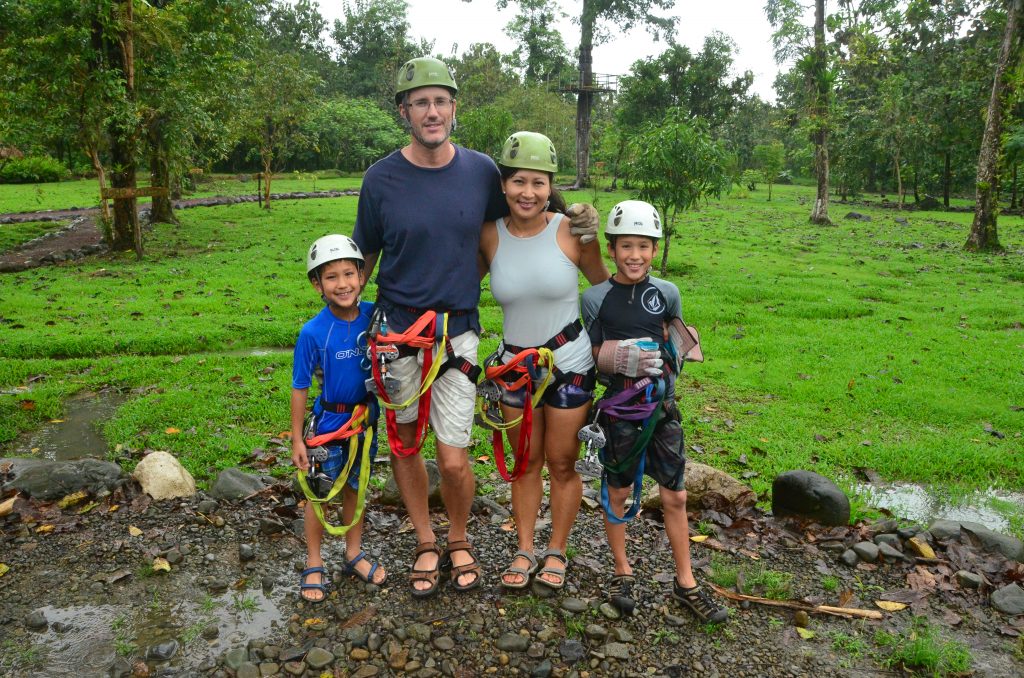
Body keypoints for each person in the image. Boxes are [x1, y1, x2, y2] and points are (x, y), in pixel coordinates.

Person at [353, 56, 600, 598]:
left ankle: (459, 537)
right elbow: (365, 254)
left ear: (454, 108)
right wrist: (345, 316)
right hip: (396, 329)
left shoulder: (482, 171)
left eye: (441, 101)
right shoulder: (380, 179)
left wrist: (574, 220)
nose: (432, 111)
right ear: (404, 111)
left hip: (457, 330)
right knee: (405, 444)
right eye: (421, 102)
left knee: (454, 454)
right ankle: (424, 540)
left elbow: (524, 206)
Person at [581, 200, 728, 622]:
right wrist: (612, 358)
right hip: (619, 412)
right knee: (618, 494)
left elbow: (676, 340)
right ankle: (622, 571)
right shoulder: (595, 299)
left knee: (676, 495)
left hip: (661, 408)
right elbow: (591, 353)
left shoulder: (667, 293)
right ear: (611, 248)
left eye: (644, 246)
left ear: (654, 248)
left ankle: (686, 583)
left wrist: (675, 355)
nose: (635, 256)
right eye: (626, 245)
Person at [478, 131, 609, 591]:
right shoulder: (490, 234)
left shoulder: (570, 231)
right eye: (518, 182)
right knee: (524, 462)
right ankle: (525, 548)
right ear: (503, 185)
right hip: (515, 366)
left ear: (550, 185)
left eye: (537, 183)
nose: (527, 193)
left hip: (569, 362)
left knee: (562, 462)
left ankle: (556, 550)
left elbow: (602, 290)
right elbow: (454, 284)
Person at [291, 234, 385, 603]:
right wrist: (298, 439)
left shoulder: (374, 315)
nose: (342, 284)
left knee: (355, 488)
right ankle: (313, 561)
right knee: (319, 493)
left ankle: (353, 553)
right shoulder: (313, 332)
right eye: (331, 277)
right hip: (329, 424)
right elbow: (300, 386)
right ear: (317, 284)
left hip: (365, 422)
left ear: (362, 275)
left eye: (349, 273)